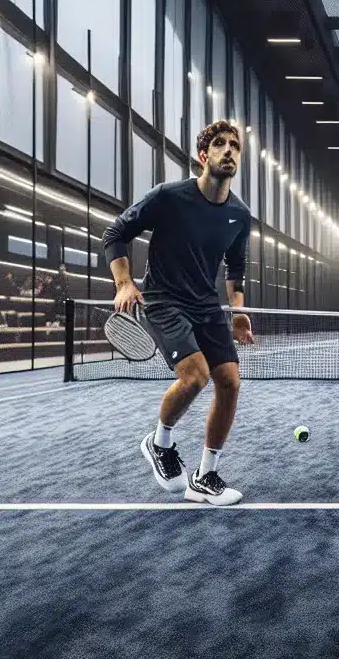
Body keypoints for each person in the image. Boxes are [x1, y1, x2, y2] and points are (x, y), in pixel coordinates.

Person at [103, 120, 253, 507]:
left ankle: (206, 476)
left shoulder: (239, 215)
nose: (228, 151)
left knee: (230, 381)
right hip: (163, 299)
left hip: (205, 304)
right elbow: (114, 234)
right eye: (219, 144)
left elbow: (235, 270)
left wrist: (237, 312)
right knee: (196, 375)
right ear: (204, 156)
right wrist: (124, 283)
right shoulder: (168, 197)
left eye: (234, 146)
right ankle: (159, 441)